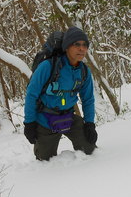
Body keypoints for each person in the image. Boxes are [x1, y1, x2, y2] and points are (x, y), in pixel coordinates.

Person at [23, 26, 98, 161]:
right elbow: (31, 95)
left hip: (68, 117)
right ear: (67, 47)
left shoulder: (84, 71)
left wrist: (90, 124)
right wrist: (29, 123)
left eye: (85, 45)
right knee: (45, 161)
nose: (82, 49)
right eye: (77, 44)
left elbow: (88, 99)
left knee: (90, 150)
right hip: (45, 120)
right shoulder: (48, 66)